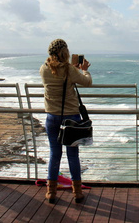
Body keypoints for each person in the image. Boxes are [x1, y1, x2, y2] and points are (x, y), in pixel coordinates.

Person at [40, 39, 92, 204]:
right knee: (72, 155)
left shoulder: (44, 69)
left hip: (52, 117)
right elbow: (87, 82)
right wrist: (84, 71)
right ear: (65, 53)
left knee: (55, 154)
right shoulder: (70, 69)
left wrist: (73, 70)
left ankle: (51, 192)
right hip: (71, 118)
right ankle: (77, 193)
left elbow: (58, 76)